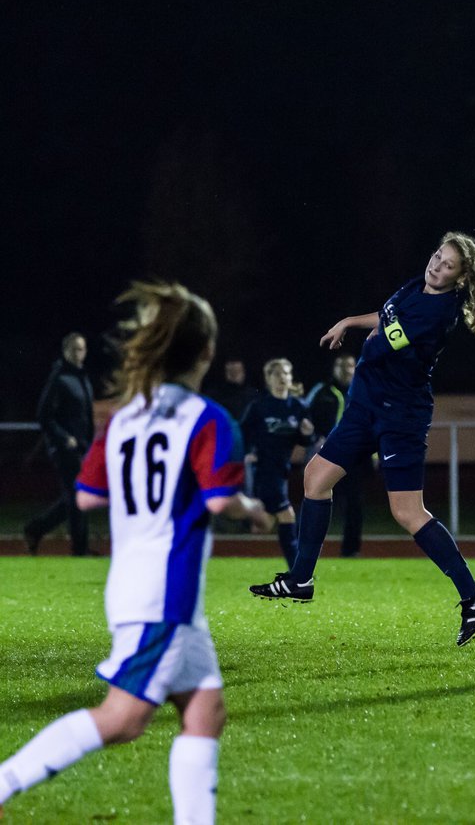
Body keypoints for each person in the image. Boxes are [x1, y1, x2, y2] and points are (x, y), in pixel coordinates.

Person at [0, 281, 271, 823]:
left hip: (134, 585)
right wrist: (256, 509)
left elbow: (84, 495)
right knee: (123, 719)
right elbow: (220, 502)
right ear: (206, 352)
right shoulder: (208, 418)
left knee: (204, 711)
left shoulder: (124, 417)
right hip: (164, 594)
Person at [249, 232, 475, 647]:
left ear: (460, 279)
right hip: (366, 408)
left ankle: (474, 594)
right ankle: (300, 579)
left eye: (448, 265)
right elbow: (386, 320)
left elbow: (395, 336)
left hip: (399, 416)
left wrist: (381, 338)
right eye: (438, 255)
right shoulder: (414, 286)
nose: (437, 265)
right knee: (315, 478)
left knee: (406, 511)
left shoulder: (441, 310)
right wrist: (351, 322)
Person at [23, 332, 96, 555]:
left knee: (75, 498)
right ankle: (80, 550)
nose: (78, 354)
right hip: (64, 449)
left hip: (82, 447)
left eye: (81, 349)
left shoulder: (82, 377)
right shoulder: (59, 378)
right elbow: (44, 415)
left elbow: (85, 415)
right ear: (65, 351)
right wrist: (64, 438)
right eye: (74, 349)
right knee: (77, 498)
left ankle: (35, 528)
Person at [240, 358, 315, 566]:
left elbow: (304, 440)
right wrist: (248, 452)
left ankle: (242, 512)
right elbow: (243, 432)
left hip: (283, 468)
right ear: (268, 379)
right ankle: (298, 570)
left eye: (285, 373)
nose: (282, 378)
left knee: (267, 521)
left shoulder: (299, 407)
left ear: (290, 378)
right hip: (264, 468)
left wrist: (307, 434)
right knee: (286, 514)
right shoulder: (259, 407)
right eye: (277, 374)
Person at [305, 353, 367, 557]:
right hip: (327, 457)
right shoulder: (322, 391)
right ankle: (306, 548)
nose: (346, 370)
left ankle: (351, 551)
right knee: (317, 500)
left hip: (357, 457)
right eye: (341, 366)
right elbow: (304, 415)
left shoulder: (364, 390)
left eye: (350, 366)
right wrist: (315, 438)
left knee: (355, 504)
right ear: (334, 369)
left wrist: (374, 456)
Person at [202, 358, 260, 422]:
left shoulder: (252, 395)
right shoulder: (213, 394)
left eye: (236, 371)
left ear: (243, 371)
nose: (234, 374)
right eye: (230, 371)